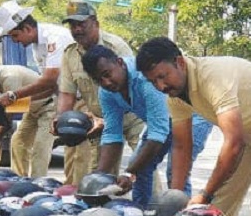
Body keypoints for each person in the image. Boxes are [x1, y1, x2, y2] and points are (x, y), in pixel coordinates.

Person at [137, 36, 251, 216]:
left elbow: (233, 142)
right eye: (153, 81)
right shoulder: (175, 96)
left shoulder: (212, 76)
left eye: (163, 76)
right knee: (222, 199)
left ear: (179, 62)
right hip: (244, 133)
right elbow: (181, 147)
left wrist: (205, 194)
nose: (160, 86)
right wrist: (176, 200)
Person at [82, 45, 211, 206]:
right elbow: (112, 135)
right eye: (99, 80)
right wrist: (97, 179)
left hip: (193, 116)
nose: (106, 82)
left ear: (120, 63)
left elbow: (157, 136)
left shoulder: (145, 79)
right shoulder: (106, 93)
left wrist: (129, 174)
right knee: (140, 167)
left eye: (107, 75)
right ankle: (140, 214)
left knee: (177, 170)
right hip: (160, 120)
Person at [56, 0, 150, 186]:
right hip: (99, 124)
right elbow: (67, 94)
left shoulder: (116, 46)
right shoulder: (70, 55)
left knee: (145, 168)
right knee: (97, 177)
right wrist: (61, 121)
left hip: (133, 117)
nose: (77, 30)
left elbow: (132, 86)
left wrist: (106, 120)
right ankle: (101, 212)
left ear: (96, 23)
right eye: (72, 25)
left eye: (81, 24)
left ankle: (155, 209)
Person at [0, 0, 71, 175]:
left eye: (15, 36)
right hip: (51, 99)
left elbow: (50, 79)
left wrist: (14, 96)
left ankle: (38, 186)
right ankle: (20, 180)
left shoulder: (55, 37)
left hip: (67, 101)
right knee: (18, 141)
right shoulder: (37, 47)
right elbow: (49, 86)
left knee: (41, 149)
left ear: (27, 29)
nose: (16, 41)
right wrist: (23, 100)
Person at [0, 57, 56, 176]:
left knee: (40, 146)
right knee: (18, 142)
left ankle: (38, 182)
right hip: (32, 110)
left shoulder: (9, 76)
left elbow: (8, 117)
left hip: (50, 106)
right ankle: (19, 177)